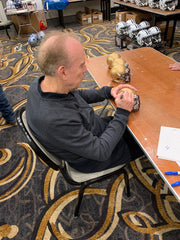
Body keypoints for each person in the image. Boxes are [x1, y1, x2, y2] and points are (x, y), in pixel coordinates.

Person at [26, 31, 143, 173]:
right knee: (147, 139)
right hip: (96, 156)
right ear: (63, 72)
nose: (85, 69)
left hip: (94, 131)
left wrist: (107, 92)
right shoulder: (56, 119)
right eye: (81, 65)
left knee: (137, 122)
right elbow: (101, 151)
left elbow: (76, 95)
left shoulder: (44, 83)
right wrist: (122, 112)